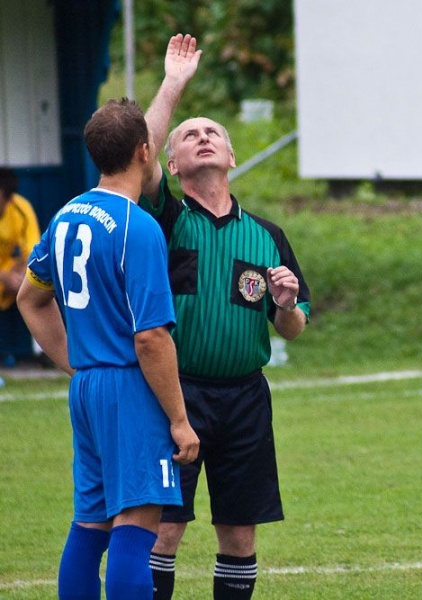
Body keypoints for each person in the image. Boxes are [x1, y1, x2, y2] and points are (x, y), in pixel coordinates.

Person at [139, 34, 310, 600]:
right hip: (173, 394)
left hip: (245, 398)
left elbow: (294, 324)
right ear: (172, 162)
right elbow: (140, 151)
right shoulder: (163, 219)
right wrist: (173, 85)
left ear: (232, 156)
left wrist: (285, 305)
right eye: (191, 134)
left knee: (239, 531)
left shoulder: (267, 236)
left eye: (214, 132)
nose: (203, 137)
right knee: (164, 528)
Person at [16, 99, 200, 599]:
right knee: (136, 528)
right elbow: (150, 337)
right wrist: (180, 420)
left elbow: (29, 299)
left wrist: (76, 364)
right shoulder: (138, 228)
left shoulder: (66, 215)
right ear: (146, 151)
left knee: (92, 523)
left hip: (89, 388)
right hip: (128, 388)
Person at [0, 167, 40, 366]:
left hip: (8, 275)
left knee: (36, 285)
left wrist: (19, 275)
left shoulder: (21, 209)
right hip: (2, 276)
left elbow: (33, 254)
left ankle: (39, 353)